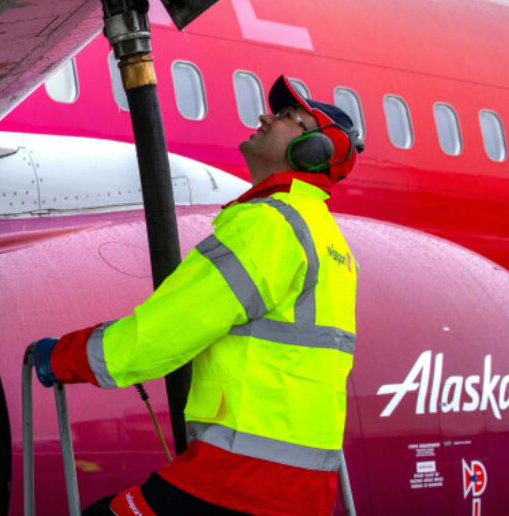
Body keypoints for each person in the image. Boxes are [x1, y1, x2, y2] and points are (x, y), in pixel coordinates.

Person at [33, 75, 365, 516]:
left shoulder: (268, 226)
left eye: (288, 116)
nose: (266, 117)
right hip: (301, 493)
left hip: (238, 481)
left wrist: (63, 358)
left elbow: (166, 331)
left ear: (314, 150)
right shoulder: (329, 241)